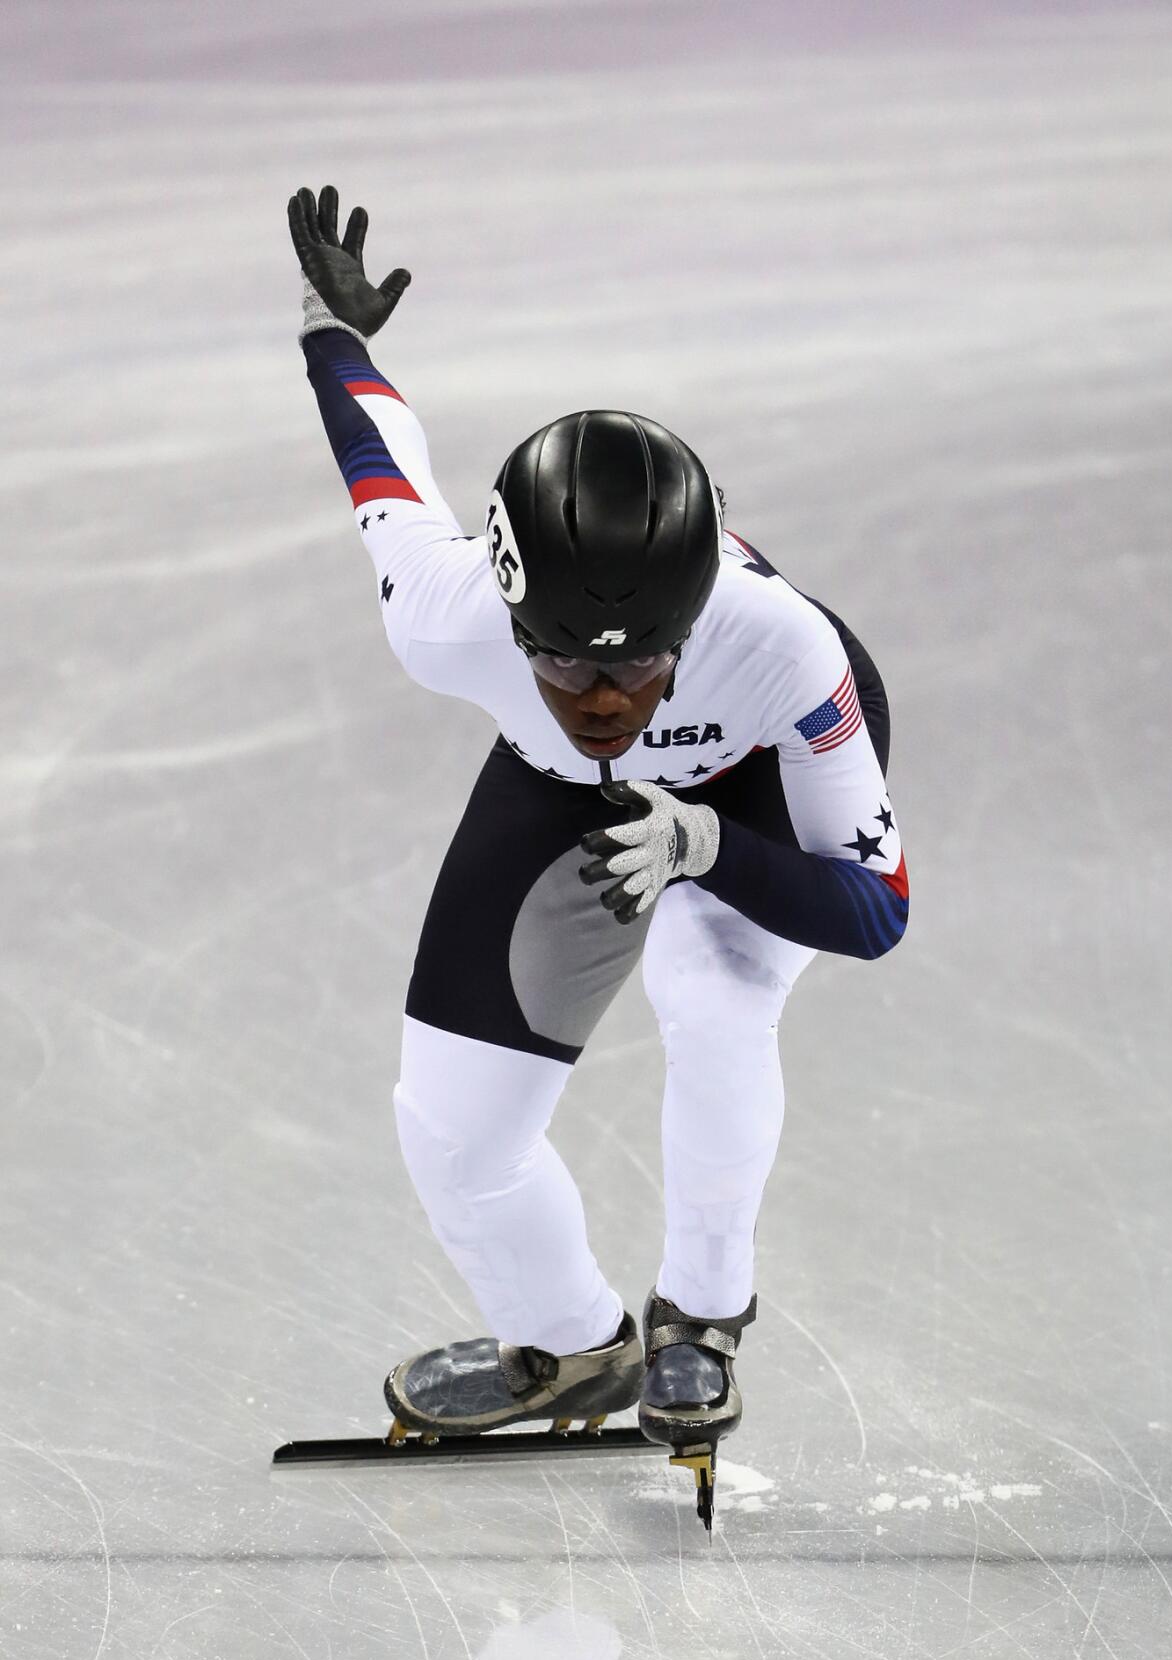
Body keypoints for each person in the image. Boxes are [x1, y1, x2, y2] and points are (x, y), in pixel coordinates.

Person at [287, 185, 908, 1513]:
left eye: (640, 665)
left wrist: (708, 849)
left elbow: (873, 911)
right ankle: (571, 1348)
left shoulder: (784, 649)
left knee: (715, 991)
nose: (609, 698)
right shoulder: (444, 614)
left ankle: (703, 1311)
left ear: (701, 614)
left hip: (747, 791)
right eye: (563, 660)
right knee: (451, 1132)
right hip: (564, 797)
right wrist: (334, 337)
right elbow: (384, 477)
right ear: (510, 618)